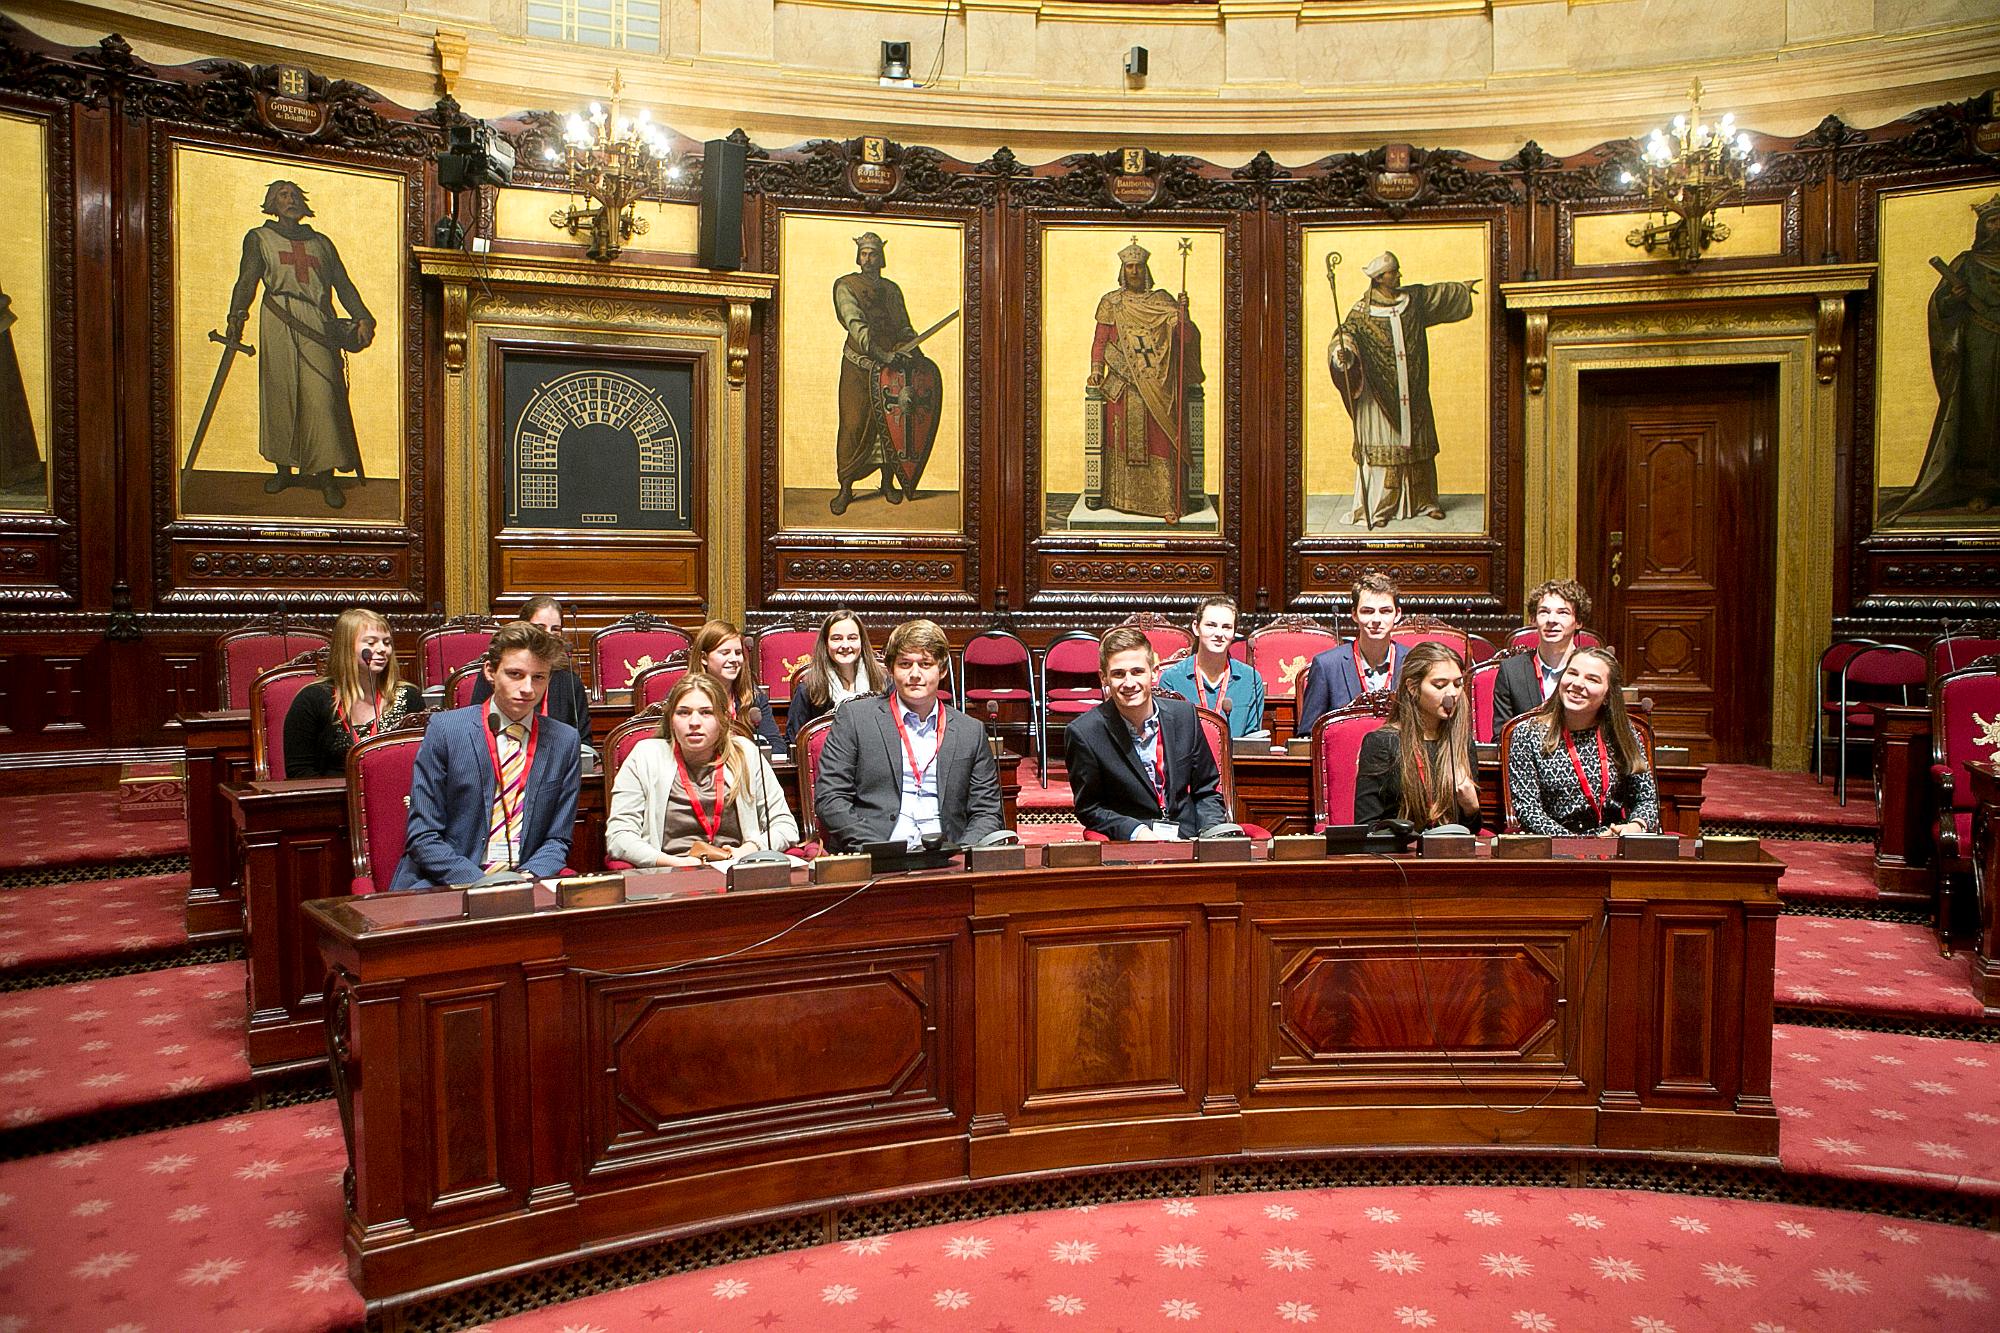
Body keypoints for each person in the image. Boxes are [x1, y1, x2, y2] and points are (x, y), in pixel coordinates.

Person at [391, 622, 582, 889]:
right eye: (515, 674)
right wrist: (482, 885)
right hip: (448, 881)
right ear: (491, 672)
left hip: (525, 883)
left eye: (539, 677)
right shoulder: (446, 730)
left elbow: (557, 839)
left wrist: (524, 880)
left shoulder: (564, 740)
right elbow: (424, 836)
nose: (528, 688)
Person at [222, 179, 376, 509]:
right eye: (282, 195)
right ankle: (284, 469)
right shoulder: (260, 239)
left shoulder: (321, 243)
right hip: (277, 320)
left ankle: (326, 477)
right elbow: (247, 280)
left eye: (294, 195)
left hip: (317, 322)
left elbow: (343, 285)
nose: (290, 200)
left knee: (321, 398)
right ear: (272, 203)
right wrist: (236, 315)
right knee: (281, 394)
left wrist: (363, 316)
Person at [814, 618, 1004, 851]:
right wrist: (880, 850)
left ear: (942, 670)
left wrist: (963, 853)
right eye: (905, 664)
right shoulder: (855, 718)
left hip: (948, 857)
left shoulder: (970, 731)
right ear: (891, 669)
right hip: (876, 854)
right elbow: (831, 799)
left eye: (925, 664)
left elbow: (987, 810)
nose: (915, 674)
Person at [1328, 250, 1479, 528]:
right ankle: (1381, 509)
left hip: (1414, 389)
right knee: (1386, 449)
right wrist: (1343, 352)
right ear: (1379, 278)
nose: (1399, 275)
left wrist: (1462, 289)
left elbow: (1437, 294)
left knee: (1418, 446)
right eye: (1393, 272)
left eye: (1397, 271)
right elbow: (1343, 335)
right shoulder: (1361, 313)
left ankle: (1426, 501)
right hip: (1378, 396)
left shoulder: (1412, 301)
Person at [1883, 192, 2000, 523]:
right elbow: (1941, 308)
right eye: (1992, 221)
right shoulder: (1966, 263)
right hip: (1979, 346)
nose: (1998, 227)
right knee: (1978, 415)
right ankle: (1980, 486)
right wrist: (1953, 297)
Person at [605, 672, 797, 868]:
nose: (694, 722)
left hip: (737, 870)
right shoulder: (645, 756)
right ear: (671, 719)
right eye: (683, 712)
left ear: (723, 718)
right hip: (668, 875)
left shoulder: (746, 754)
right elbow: (620, 836)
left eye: (706, 712)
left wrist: (751, 849)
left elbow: (785, 826)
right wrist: (675, 863)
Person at [1065, 627, 1228, 841]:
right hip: (1131, 847)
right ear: (1103, 678)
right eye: (1118, 674)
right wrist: (1137, 832)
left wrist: (1211, 833)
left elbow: (1206, 790)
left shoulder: (1185, 716)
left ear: (1154, 672)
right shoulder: (1084, 733)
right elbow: (1090, 808)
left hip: (1190, 839)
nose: (1129, 683)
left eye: (1137, 671)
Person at [1088, 237, 1204, 521]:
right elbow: (1101, 341)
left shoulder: (1162, 301)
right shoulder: (1111, 302)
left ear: (1146, 270)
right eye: (1129, 267)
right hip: (1123, 386)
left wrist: (1182, 315)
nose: (1134, 272)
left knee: (1160, 440)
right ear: (1122, 270)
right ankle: (1121, 499)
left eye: (1138, 267)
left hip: (1159, 385)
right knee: (1122, 442)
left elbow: (1185, 339)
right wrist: (1096, 369)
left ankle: (1165, 502)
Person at [831, 231, 941, 515]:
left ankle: (887, 483)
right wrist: (881, 354)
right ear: (858, 256)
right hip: (860, 367)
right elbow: (857, 325)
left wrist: (911, 347)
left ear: (882, 257)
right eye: (864, 253)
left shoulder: (892, 290)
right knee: (853, 426)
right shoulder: (846, 286)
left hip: (891, 371)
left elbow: (903, 324)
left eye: (873, 254)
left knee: (889, 427)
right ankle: (846, 487)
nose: (868, 259)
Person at [1504, 645, 1659, 837]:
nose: (1577, 683)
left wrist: (1635, 826)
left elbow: (1647, 800)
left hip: (1614, 842)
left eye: (1592, 679)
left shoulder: (1623, 733)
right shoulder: (1527, 734)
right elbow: (1529, 811)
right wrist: (1579, 843)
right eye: (1572, 673)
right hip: (1555, 847)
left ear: (1607, 695)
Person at [1353, 642, 1483, 832]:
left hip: (1449, 854)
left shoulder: (1461, 741)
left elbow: (1471, 830)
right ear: (1413, 688)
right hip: (1401, 855)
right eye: (1440, 685)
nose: (1452, 694)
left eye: (1457, 684)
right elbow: (1366, 826)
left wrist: (1472, 808)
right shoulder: (1381, 743)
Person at [281, 607, 422, 779]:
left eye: (386, 642)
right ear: (346, 648)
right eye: (371, 643)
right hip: (332, 800)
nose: (382, 649)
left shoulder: (409, 696)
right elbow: (299, 772)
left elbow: (421, 762)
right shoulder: (312, 699)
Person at [1297, 572, 1408, 732]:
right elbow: (1309, 734)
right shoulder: (1327, 666)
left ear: (1397, 614)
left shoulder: (1414, 662)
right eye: (1367, 611)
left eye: (1385, 611)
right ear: (1354, 614)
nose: (1376, 620)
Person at [470, 596, 590, 740]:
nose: (549, 634)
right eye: (540, 627)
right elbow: (475, 723)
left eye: (556, 629)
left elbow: (584, 739)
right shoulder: (497, 672)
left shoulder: (569, 680)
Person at [1158, 596, 1266, 739]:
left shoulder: (1250, 679)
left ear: (1234, 633)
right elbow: (1168, 738)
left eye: (1226, 627)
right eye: (1211, 625)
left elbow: (1253, 740)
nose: (1219, 634)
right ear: (1196, 628)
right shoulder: (1171, 679)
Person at [1492, 578, 1593, 729]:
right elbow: (1502, 736)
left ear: (1578, 621)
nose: (1552, 620)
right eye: (1544, 612)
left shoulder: (1594, 669)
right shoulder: (1511, 672)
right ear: (1533, 619)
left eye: (1563, 613)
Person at [786, 608, 888, 744]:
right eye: (837, 638)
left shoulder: (883, 682)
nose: (845, 645)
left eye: (852, 638)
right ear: (826, 643)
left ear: (862, 642)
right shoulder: (807, 690)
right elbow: (794, 743)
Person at [691, 618, 787, 757]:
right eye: (725, 653)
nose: (734, 659)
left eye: (738, 653)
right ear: (704, 658)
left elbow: (777, 746)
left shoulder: (753, 696)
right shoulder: (685, 696)